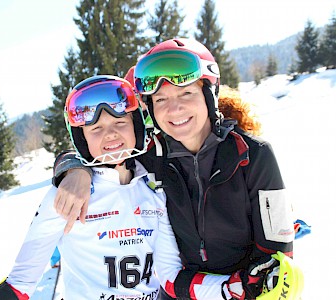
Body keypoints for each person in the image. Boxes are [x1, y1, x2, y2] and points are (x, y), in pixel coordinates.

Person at [51, 39, 304, 299]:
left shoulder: (252, 156)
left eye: (186, 93)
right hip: (183, 290)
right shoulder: (153, 156)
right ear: (150, 109)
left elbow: (276, 259)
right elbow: (101, 152)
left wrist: (250, 286)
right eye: (160, 99)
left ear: (209, 94)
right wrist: (74, 169)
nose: (174, 109)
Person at [0, 75, 236, 300]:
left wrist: (233, 289)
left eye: (120, 123)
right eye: (96, 129)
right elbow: (20, 283)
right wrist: (74, 168)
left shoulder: (155, 187)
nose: (110, 135)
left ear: (137, 126)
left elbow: (170, 276)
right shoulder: (68, 193)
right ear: (82, 138)